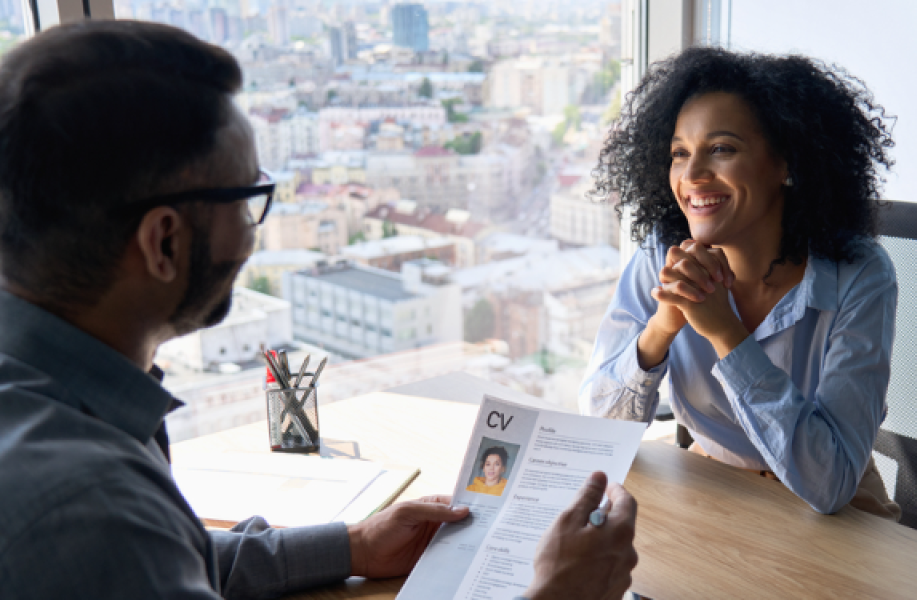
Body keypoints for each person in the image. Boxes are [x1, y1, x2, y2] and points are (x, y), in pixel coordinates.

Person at [0, 21, 637, 599]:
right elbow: (116, 546)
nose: (252, 235)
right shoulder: (81, 505)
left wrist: (353, 545)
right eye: (248, 200)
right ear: (164, 242)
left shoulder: (50, 412)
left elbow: (159, 562)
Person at [581, 46, 901, 520]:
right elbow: (598, 428)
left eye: (722, 149)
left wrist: (725, 333)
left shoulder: (859, 275)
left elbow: (831, 482)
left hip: (836, 515)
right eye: (679, 153)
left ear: (786, 162)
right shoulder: (662, 253)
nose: (691, 176)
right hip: (713, 491)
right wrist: (661, 329)